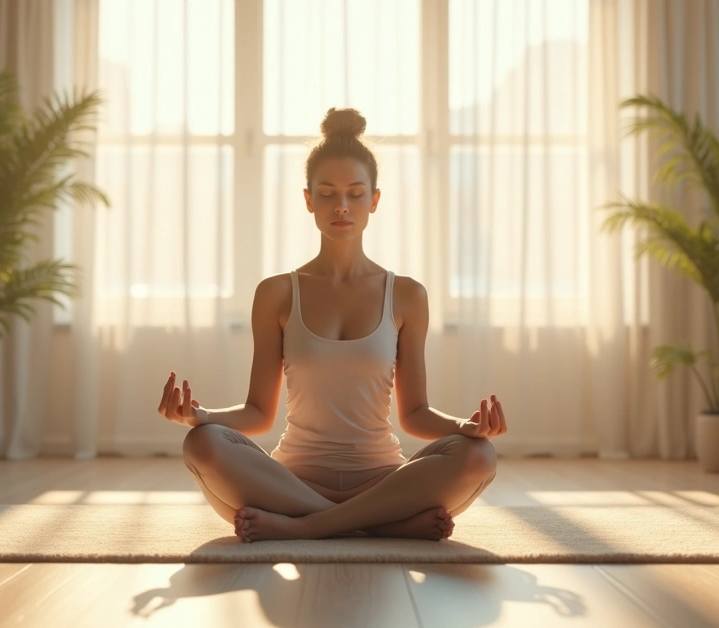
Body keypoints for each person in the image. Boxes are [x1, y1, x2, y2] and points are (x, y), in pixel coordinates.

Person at [158, 107, 507, 543]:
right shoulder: (277, 293)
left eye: (355, 194)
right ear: (308, 200)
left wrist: (466, 428)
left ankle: (307, 526)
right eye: (327, 194)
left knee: (479, 456)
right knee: (202, 443)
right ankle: (380, 525)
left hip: (382, 480)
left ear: (374, 200)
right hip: (292, 480)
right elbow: (259, 414)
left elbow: (415, 415)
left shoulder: (407, 295)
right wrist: (200, 416)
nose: (341, 206)